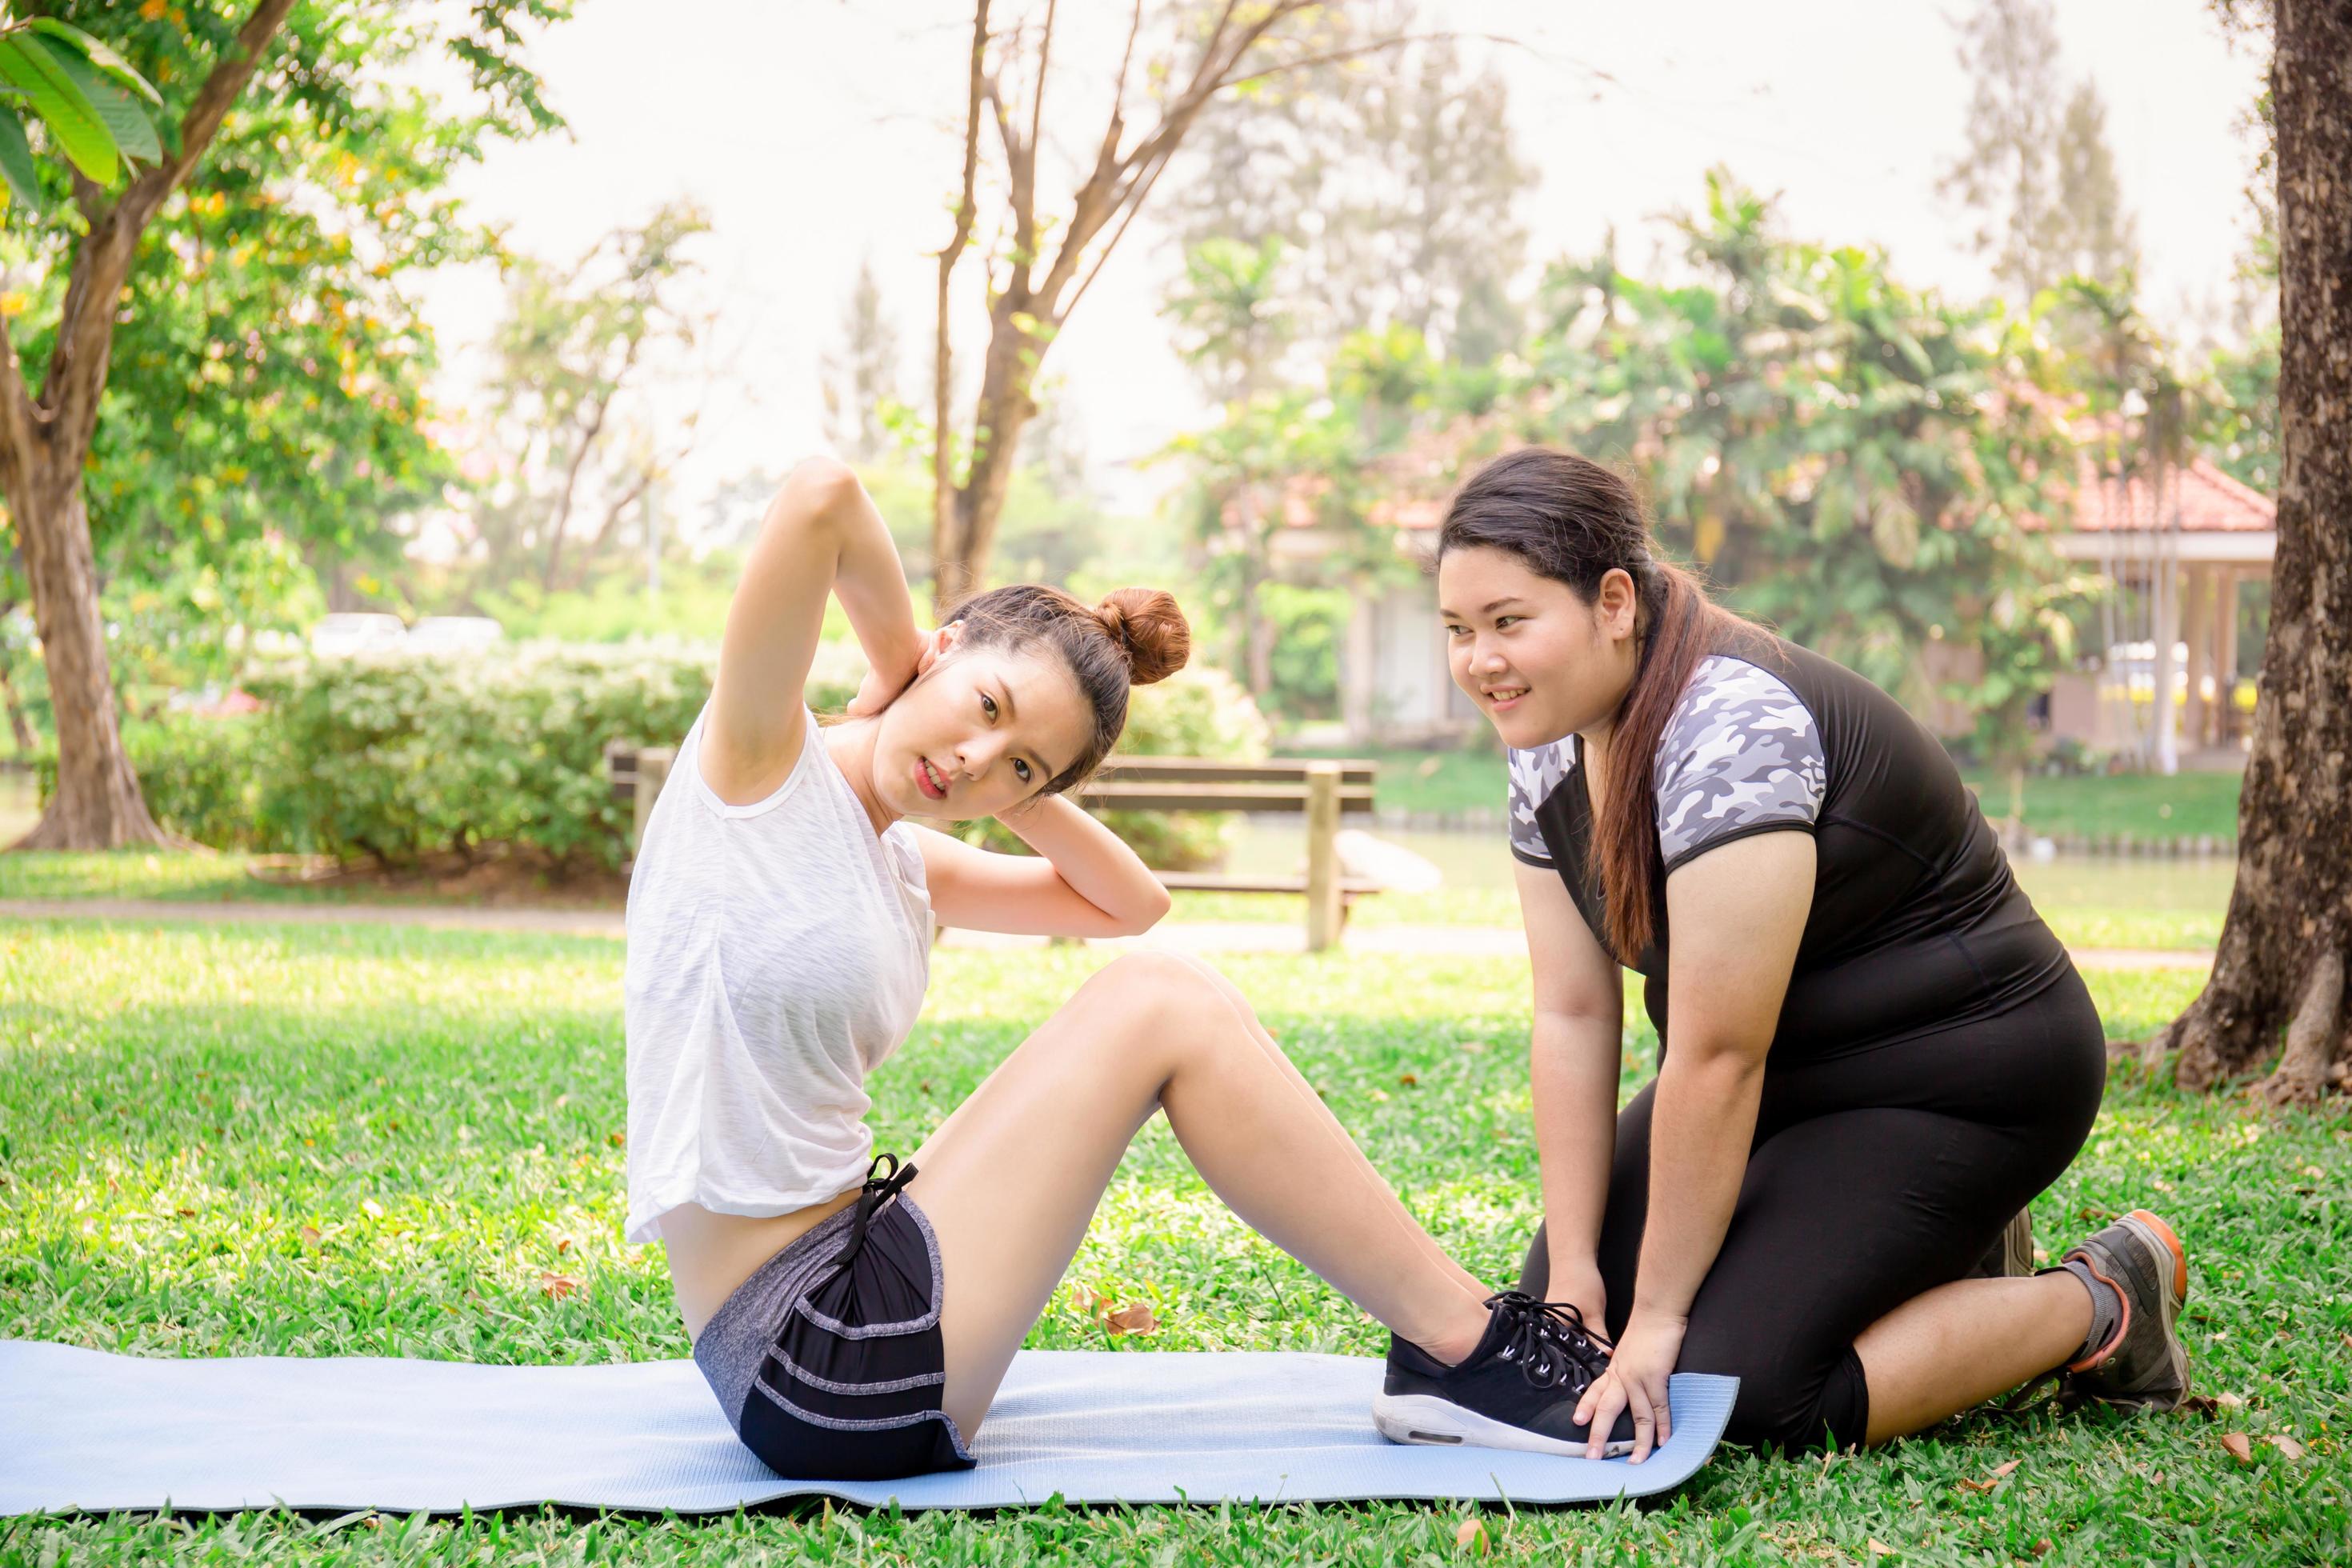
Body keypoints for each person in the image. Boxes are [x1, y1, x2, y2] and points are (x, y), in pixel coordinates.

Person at [625, 458, 1633, 1483]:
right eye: (985, 701)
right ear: (947, 646)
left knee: (1161, 979)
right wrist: (906, 675)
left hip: (846, 1279)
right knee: (1163, 998)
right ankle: (1464, 1346)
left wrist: (1008, 773)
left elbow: (1130, 904)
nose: (977, 757)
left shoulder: (903, 861)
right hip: (815, 1364)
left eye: (1022, 763)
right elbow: (819, 498)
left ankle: (1455, 1339)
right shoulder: (755, 773)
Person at [1429, 446, 2190, 1462]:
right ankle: (1943, 1255)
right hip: (1789, 1077)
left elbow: (1717, 1055)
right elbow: (1573, 1010)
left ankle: (2101, 1297)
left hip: (1964, 1072)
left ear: (1615, 601)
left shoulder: (1731, 723)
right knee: (1571, 1338)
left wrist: (1657, 1320)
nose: (1481, 659)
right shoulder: (1545, 737)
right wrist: (1574, 1272)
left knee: (1740, 1394)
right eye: (1459, 630)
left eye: (1509, 622)